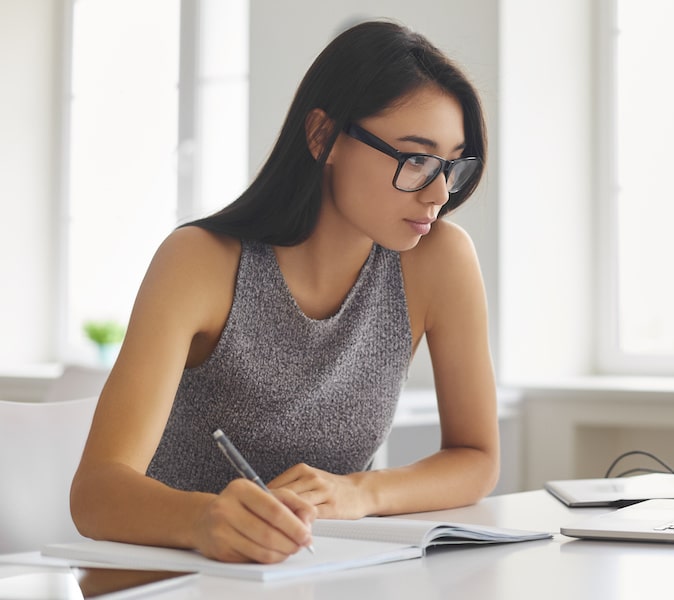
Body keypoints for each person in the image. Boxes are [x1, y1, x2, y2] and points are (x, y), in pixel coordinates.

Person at [70, 20, 499, 564]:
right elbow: (95, 493)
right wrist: (204, 519)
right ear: (323, 136)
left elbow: (476, 457)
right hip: (170, 576)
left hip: (316, 572)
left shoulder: (439, 260)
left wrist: (360, 492)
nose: (438, 192)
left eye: (450, 165)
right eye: (415, 158)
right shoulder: (200, 262)